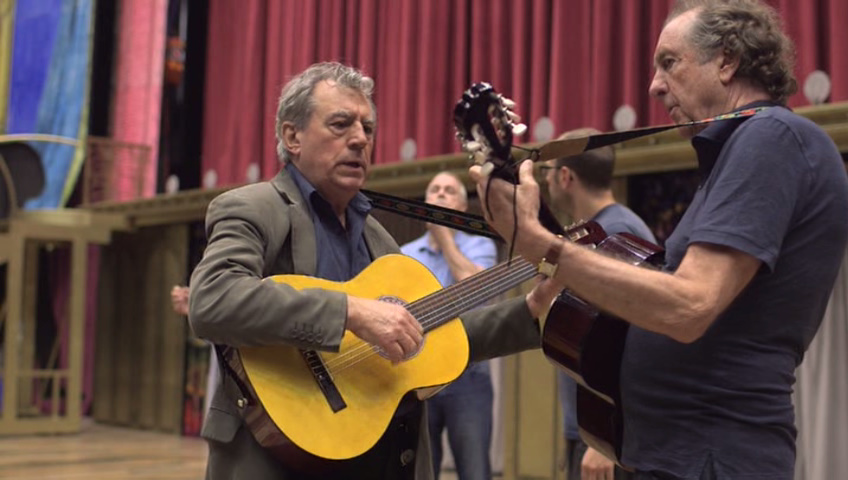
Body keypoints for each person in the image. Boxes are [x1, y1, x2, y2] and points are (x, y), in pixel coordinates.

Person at [469, 1, 848, 479]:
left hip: (712, 457)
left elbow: (689, 307)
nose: (653, 85)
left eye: (669, 62)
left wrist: (542, 246)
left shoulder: (770, 136)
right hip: (683, 455)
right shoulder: (748, 147)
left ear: (727, 61)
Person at [187, 62, 556, 480]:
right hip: (274, 457)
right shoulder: (253, 207)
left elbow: (429, 338)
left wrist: (528, 310)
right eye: (340, 124)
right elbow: (213, 299)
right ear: (293, 137)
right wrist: (351, 311)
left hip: (379, 456)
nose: (360, 139)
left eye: (367, 128)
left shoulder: (378, 238)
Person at [539, 128, 655, 480]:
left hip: (606, 435)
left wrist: (602, 436)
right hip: (590, 426)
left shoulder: (617, 234)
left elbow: (633, 343)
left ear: (565, 176)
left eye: (547, 172)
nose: (545, 181)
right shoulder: (595, 230)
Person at [400, 172, 498, 480]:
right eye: (435, 190)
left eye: (449, 190)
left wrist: (445, 237)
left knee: (474, 470)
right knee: (420, 471)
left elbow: (476, 290)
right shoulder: (404, 254)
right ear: (425, 202)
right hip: (418, 377)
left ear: (462, 206)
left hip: (468, 376)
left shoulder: (481, 244)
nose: (441, 194)